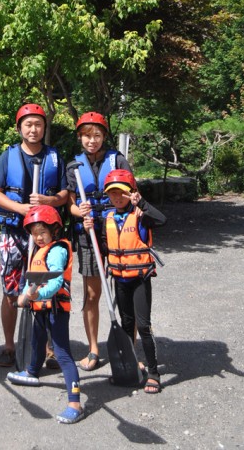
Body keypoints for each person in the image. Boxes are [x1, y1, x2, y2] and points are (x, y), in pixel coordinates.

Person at [0, 102, 68, 368]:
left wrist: (48, 200)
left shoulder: (54, 157)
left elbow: (64, 194)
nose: (33, 129)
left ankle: (49, 348)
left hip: (44, 235)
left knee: (46, 287)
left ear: (44, 128)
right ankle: (9, 346)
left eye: (38, 124)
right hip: (14, 231)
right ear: (19, 128)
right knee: (11, 291)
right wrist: (20, 208)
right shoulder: (8, 156)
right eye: (28, 124)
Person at [67, 111, 134, 371]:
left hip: (117, 232)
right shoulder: (73, 166)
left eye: (96, 135)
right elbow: (70, 204)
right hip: (89, 234)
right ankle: (93, 349)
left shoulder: (117, 160)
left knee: (124, 293)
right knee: (92, 294)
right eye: (86, 136)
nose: (92, 140)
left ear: (104, 136)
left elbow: (132, 194)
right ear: (80, 137)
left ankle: (129, 348)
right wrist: (80, 212)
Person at [89, 168, 166, 394]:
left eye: (121, 192)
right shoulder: (108, 218)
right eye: (112, 193)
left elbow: (162, 220)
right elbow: (104, 248)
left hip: (140, 278)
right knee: (126, 325)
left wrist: (141, 203)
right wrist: (89, 230)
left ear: (131, 192)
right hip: (120, 279)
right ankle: (130, 368)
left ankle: (154, 373)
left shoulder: (141, 215)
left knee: (143, 326)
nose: (117, 197)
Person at [7, 206, 85, 424]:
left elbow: (56, 281)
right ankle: (32, 372)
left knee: (62, 353)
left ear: (54, 230)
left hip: (56, 309)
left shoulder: (58, 250)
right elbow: (32, 279)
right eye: (35, 233)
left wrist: (37, 295)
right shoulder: (38, 250)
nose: (38, 237)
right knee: (37, 340)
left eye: (42, 232)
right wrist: (24, 295)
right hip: (40, 308)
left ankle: (75, 403)